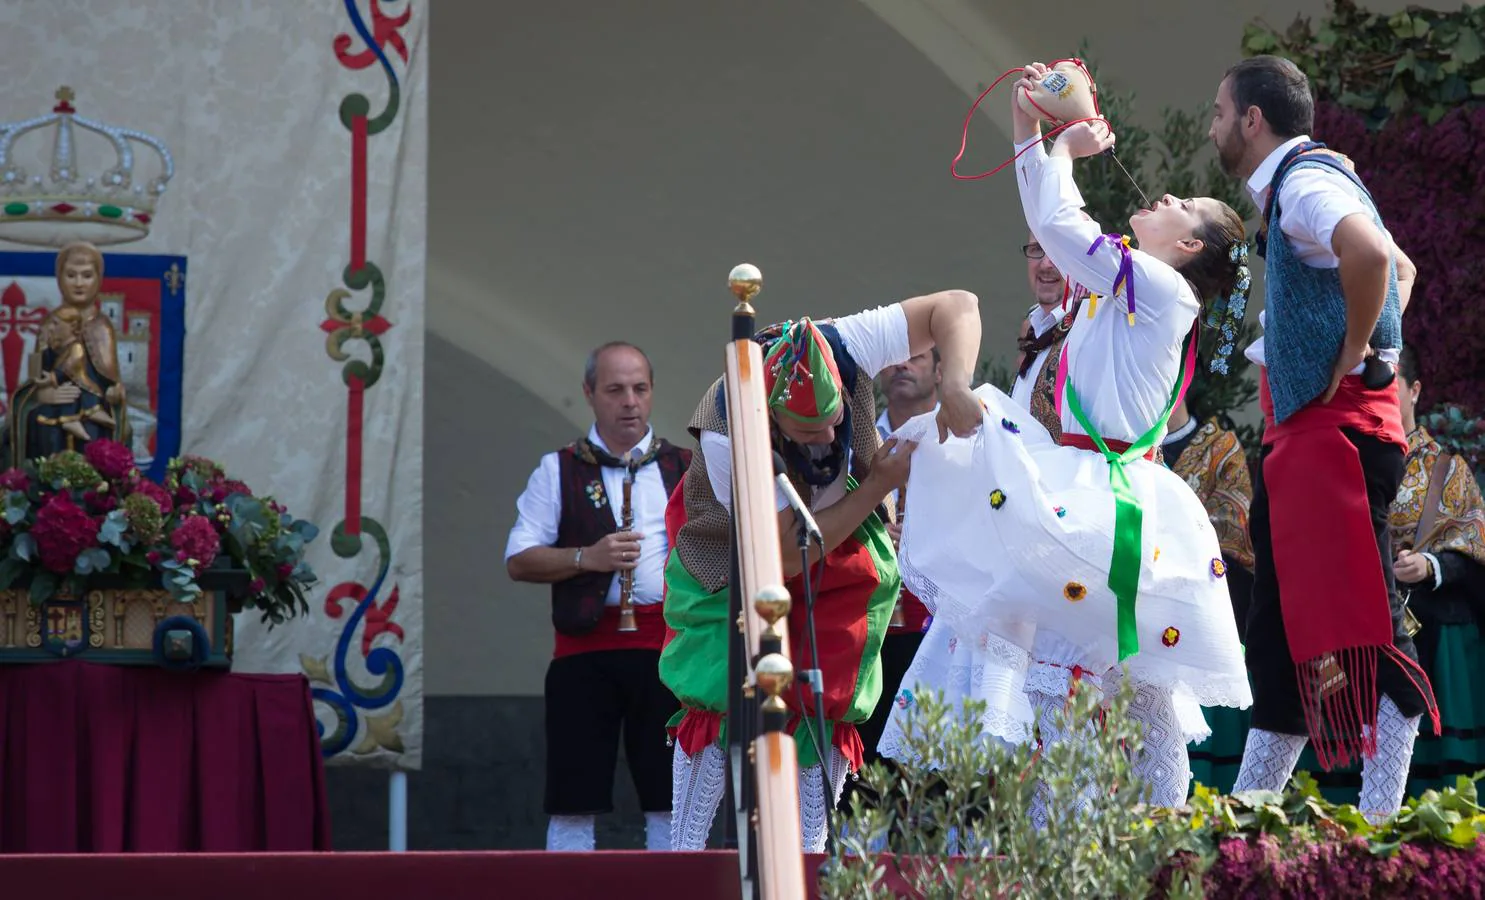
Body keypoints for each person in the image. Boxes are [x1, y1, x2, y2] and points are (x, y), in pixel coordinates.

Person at [880, 63, 1252, 823]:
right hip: (1089, 484)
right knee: (1111, 685)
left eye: (1182, 203)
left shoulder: (1161, 288)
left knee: (1113, 687)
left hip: (1106, 496)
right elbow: (1049, 221)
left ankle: (1139, 838)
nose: (1163, 198)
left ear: (1187, 243)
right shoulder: (1128, 286)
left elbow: (1059, 226)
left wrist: (1064, 148)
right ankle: (1100, 836)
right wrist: (1029, 128)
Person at [661, 289, 982, 852]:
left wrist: (954, 384)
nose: (830, 438)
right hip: (734, 558)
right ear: (773, 415)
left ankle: (809, 859)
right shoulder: (728, 428)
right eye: (810, 432)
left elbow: (956, 306)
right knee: (717, 687)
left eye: (835, 422)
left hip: (839, 560)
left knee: (828, 691)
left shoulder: (845, 342)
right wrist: (879, 484)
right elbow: (787, 553)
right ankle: (684, 855)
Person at [1209, 55, 1435, 821]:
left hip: (1330, 442)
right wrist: (1374, 343)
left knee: (1356, 635)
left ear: (1251, 119)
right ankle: (1247, 817)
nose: (1211, 126)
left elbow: (1376, 261)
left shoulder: (1304, 184)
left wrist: (1352, 352)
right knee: (1282, 641)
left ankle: (1377, 825)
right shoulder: (1303, 184)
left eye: (1217, 112)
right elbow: (1399, 268)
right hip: (1308, 442)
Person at [505, 342, 691, 852]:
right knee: (573, 797)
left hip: (669, 653)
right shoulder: (558, 469)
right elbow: (519, 560)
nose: (629, 401)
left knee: (669, 797)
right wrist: (588, 558)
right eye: (614, 390)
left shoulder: (685, 467)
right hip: (584, 654)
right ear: (589, 394)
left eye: (640, 389)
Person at [1012, 232, 1083, 438]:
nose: (1045, 264)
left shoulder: (1092, 328)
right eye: (1037, 250)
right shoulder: (1034, 325)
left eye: (1058, 251)